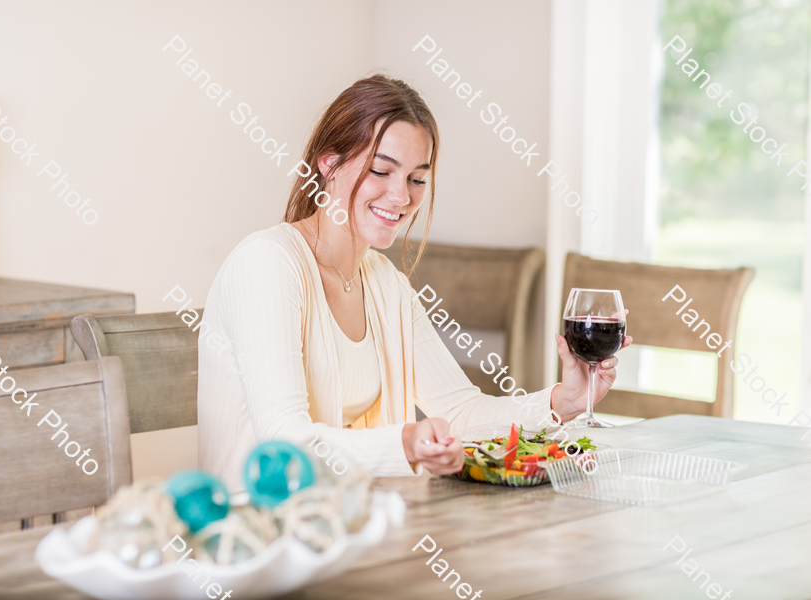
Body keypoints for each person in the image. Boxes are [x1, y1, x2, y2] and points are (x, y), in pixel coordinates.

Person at [197, 74, 632, 491]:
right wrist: (405, 443)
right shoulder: (267, 263)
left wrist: (566, 401)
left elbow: (460, 412)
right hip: (255, 541)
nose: (402, 196)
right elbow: (284, 444)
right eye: (381, 171)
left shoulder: (386, 284)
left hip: (351, 529)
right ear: (329, 165)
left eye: (417, 179)